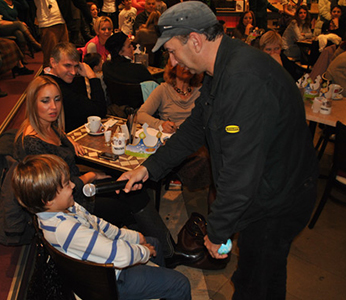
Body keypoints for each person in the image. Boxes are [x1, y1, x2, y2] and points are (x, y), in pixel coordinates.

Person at [117, 2, 318, 299]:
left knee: (259, 282)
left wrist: (218, 230)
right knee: (255, 271)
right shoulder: (221, 69)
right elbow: (194, 129)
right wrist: (149, 167)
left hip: (278, 199)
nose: (171, 62)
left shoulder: (242, 79)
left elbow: (241, 169)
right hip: (264, 189)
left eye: (172, 51)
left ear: (195, 40)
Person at [14, 75, 190, 265]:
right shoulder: (32, 143)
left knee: (131, 186)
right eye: (45, 101)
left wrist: (69, 141)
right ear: (32, 103)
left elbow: (61, 147)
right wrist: (92, 175)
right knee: (129, 199)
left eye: (57, 99)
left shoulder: (50, 126)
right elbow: (51, 189)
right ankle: (152, 251)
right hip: (72, 200)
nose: (53, 107)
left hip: (75, 186)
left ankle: (155, 248)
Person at [11, 154, 192, 300]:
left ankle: (159, 287)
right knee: (181, 283)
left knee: (153, 242)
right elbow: (120, 256)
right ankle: (164, 287)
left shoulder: (65, 208)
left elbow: (99, 224)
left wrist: (133, 238)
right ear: (48, 200)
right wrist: (143, 251)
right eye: (66, 184)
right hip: (111, 282)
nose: (74, 185)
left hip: (107, 264)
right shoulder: (65, 230)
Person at [136, 61, 213, 216]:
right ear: (173, 67)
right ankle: (199, 214)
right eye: (182, 63)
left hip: (194, 144)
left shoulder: (201, 91)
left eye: (189, 63)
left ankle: (202, 214)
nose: (186, 67)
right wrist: (160, 124)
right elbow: (140, 114)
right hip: (172, 144)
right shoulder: (163, 90)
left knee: (204, 159)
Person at [43, 42, 107, 132]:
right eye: (67, 65)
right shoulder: (55, 87)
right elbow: (98, 112)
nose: (73, 72)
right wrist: (92, 77)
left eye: (76, 66)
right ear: (53, 63)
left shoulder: (61, 79)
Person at [34, 0, 92, 68]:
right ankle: (48, 77)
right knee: (50, 58)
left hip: (61, 20)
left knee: (65, 55)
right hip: (48, 23)